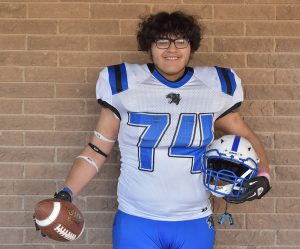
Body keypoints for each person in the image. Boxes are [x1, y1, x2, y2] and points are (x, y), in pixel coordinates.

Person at [37, 11, 271, 249]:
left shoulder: (215, 86)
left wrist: (263, 175)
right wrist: (66, 193)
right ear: (149, 45)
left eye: (181, 41)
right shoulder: (123, 83)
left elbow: (246, 136)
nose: (172, 49)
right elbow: (97, 149)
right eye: (162, 41)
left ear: (191, 46)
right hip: (137, 219)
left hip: (195, 218)